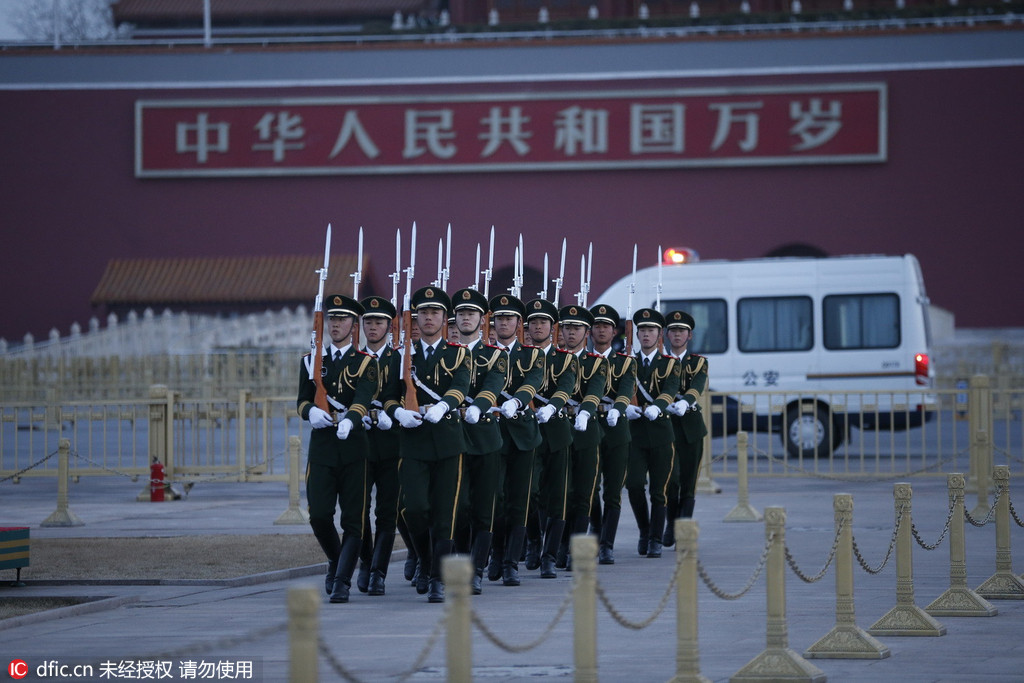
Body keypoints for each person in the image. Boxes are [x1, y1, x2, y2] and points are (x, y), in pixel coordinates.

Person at [296, 294, 379, 603]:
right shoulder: (311, 361)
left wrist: (352, 419)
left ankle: (342, 579)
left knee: (354, 520)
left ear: (353, 325)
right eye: (332, 318)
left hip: (355, 447)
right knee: (318, 515)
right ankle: (335, 558)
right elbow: (302, 399)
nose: (336, 324)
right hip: (322, 449)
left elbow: (364, 396)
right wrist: (310, 412)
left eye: (343, 319)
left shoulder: (366, 363)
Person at [393, 286, 472, 603]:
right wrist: (396, 410)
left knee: (445, 512)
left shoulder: (458, 353)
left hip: (447, 440)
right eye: (423, 312)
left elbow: (461, 385)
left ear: (444, 318)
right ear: (416, 317)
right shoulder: (400, 356)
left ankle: (438, 576)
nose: (429, 317)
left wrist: (444, 406)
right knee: (414, 509)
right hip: (413, 440)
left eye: (435, 312)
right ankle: (425, 562)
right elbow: (387, 393)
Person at [451, 287, 509, 595]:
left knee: (485, 507)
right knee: (459, 507)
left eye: (471, 313)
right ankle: (461, 561)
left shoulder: (495, 354)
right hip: (453, 437)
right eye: (461, 313)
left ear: (482, 319)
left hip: (484, 436)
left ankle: (477, 568)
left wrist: (478, 406)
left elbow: (494, 383)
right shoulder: (446, 353)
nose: (465, 318)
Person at [486, 294, 544, 587]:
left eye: (510, 318)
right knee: (494, 497)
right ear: (493, 322)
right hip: (492, 433)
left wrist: (518, 401)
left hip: (522, 432)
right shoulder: (482, 353)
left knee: (520, 500)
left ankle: (511, 562)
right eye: (500, 318)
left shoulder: (533, 354)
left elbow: (533, 382)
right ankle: (495, 553)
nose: (504, 322)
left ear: (520, 324)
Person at [524, 297, 578, 579]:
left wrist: (552, 407)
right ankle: (533, 540)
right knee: (529, 493)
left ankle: (550, 554)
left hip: (556, 431)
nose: (538, 326)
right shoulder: (518, 356)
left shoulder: (566, 358)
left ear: (552, 327)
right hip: (526, 433)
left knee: (559, 496)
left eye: (543, 322)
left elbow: (567, 386)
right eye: (533, 322)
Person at [355, 295, 402, 596]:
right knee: (358, 510)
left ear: (389, 325)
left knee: (387, 511)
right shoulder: (353, 358)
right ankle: (365, 560)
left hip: (393, 442)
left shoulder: (400, 359)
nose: (373, 327)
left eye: (379, 322)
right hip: (360, 442)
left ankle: (379, 572)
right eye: (368, 322)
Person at [625, 308, 681, 559]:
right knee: (635, 485)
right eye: (642, 330)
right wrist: (625, 406)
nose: (646, 335)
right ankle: (644, 531)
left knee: (660, 489)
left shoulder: (670, 364)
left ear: (659, 335)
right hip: (635, 433)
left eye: (651, 330)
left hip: (660, 433)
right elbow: (622, 388)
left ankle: (656, 539)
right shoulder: (628, 362)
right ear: (637, 334)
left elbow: (670, 390)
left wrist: (657, 408)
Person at [558, 304, 608, 571]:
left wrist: (585, 412)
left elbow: (595, 390)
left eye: (576, 328)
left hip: (586, 431)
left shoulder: (596, 362)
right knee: (560, 493)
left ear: (587, 332)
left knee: (584, 493)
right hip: (557, 431)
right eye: (566, 328)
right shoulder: (553, 358)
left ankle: (576, 548)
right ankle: (560, 546)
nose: (571, 333)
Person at [588, 304, 636, 565]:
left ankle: (608, 544)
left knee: (613, 490)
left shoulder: (625, 362)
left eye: (606, 326)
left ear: (615, 331)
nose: (601, 330)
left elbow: (627, 387)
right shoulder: (582, 361)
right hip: (591, 424)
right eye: (597, 326)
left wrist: (618, 408)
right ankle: (596, 533)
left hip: (616, 427)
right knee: (591, 487)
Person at [663, 310, 709, 547]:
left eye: (681, 331)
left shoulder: (698, 362)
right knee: (672, 479)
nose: (677, 334)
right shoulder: (661, 362)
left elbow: (697, 387)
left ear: (689, 335)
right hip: (667, 426)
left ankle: (683, 527)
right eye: (673, 330)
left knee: (688, 481)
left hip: (690, 427)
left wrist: (684, 402)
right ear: (667, 334)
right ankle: (671, 525)